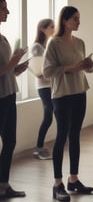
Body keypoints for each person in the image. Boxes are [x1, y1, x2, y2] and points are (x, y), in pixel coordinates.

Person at [43, 6, 93, 202]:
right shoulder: (53, 43)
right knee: (61, 136)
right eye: (75, 18)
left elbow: (84, 67)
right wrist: (74, 67)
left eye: (79, 18)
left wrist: (89, 66)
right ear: (64, 21)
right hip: (62, 95)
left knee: (75, 136)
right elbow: (47, 71)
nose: (78, 22)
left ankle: (73, 179)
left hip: (80, 92)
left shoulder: (80, 42)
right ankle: (57, 184)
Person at [0, 0, 28, 201]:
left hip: (10, 95)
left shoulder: (3, 38)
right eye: (3, 9)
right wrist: (12, 63)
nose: (7, 12)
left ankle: (3, 185)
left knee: (10, 141)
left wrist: (18, 67)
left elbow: (6, 72)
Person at [30, 18, 55, 160]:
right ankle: (39, 148)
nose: (54, 29)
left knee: (48, 117)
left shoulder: (47, 45)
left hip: (51, 85)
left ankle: (40, 147)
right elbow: (38, 72)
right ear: (43, 29)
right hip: (44, 87)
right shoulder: (37, 47)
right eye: (52, 26)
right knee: (51, 115)